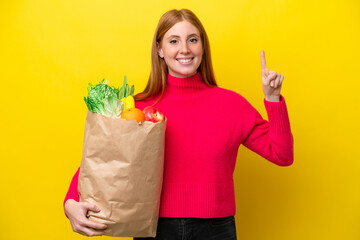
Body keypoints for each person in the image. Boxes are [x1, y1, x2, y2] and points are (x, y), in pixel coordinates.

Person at [63, 8, 294, 240]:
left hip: (216, 230)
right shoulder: (138, 108)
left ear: (202, 47)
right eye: (174, 41)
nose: (185, 49)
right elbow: (103, 159)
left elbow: (282, 155)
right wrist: (70, 202)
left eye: (193, 40)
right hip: (153, 228)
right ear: (160, 50)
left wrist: (273, 98)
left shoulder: (232, 104)